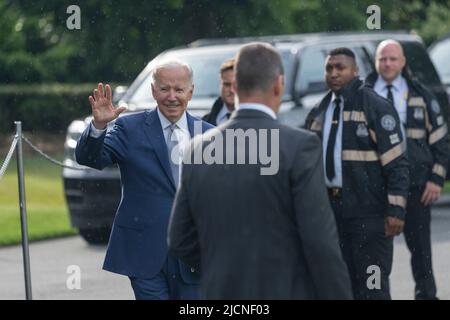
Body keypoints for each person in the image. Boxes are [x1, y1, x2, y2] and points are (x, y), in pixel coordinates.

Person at [168, 42, 352, 300]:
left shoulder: (196, 149)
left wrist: (223, 267)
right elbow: (319, 242)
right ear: (279, 84)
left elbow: (179, 239)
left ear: (234, 87)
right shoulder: (299, 146)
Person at [75, 61, 213, 300]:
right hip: (144, 250)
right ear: (153, 90)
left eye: (179, 90)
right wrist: (98, 126)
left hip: (195, 251)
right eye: (164, 89)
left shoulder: (211, 133)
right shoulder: (129, 127)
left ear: (190, 91)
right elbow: (91, 158)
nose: (171, 97)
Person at [304, 47, 409, 299]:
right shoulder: (320, 110)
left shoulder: (375, 107)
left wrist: (396, 210)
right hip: (333, 214)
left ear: (355, 70)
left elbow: (397, 164)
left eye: (340, 68)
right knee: (341, 286)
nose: (334, 73)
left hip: (370, 214)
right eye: (329, 68)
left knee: (372, 286)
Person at [365, 39, 450, 300]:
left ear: (403, 62)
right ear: (375, 62)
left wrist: (436, 179)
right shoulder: (364, 95)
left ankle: (426, 295)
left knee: (421, 251)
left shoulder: (421, 94)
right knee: (376, 253)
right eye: (383, 59)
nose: (387, 63)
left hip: (416, 186)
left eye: (392, 59)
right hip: (377, 189)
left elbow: (441, 140)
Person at [202, 58, 235, 125]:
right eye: (227, 84)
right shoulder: (203, 122)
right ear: (220, 84)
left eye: (236, 85)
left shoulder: (259, 121)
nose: (232, 90)